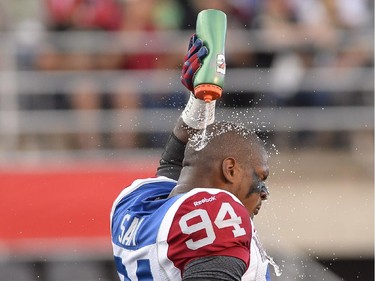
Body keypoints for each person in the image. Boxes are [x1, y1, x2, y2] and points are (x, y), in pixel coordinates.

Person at [110, 34, 276, 280]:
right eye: (260, 177)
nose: (264, 192)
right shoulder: (217, 213)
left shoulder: (133, 202)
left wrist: (201, 99)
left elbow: (174, 164)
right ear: (230, 169)